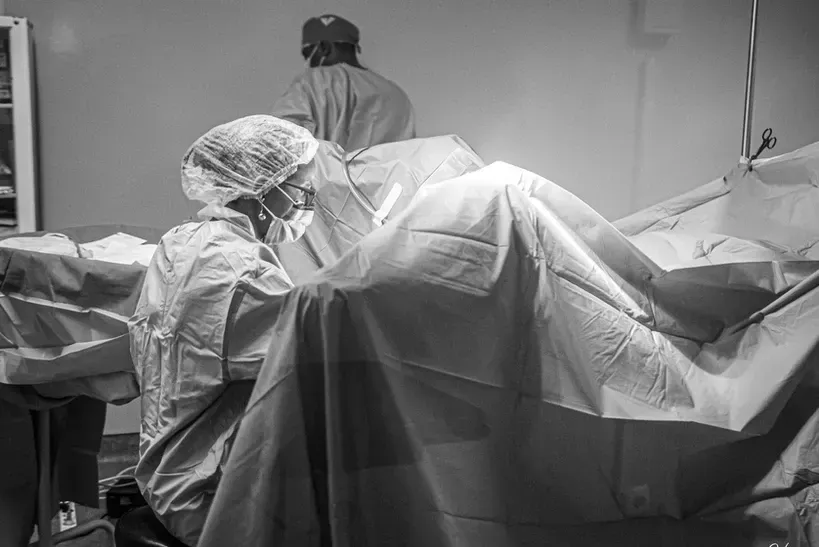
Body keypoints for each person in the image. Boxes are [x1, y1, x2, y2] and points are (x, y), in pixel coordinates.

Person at [126, 115, 319, 546]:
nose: (307, 205)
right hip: (212, 493)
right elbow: (307, 360)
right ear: (264, 188)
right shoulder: (246, 272)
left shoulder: (180, 242)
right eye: (302, 191)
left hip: (165, 472)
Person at [271, 14, 416, 151]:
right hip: (390, 178)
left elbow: (281, 139)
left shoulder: (312, 82)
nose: (309, 61)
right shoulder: (396, 94)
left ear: (324, 48)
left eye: (308, 54)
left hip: (329, 177)